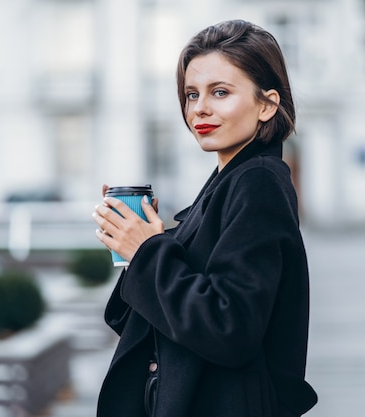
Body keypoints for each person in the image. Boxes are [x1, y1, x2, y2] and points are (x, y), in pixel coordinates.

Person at [91, 19, 317, 417]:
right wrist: (140, 246)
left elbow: (230, 327)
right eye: (191, 94)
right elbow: (145, 321)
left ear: (267, 104)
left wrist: (148, 252)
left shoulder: (257, 182)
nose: (200, 109)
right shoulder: (226, 183)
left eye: (220, 92)